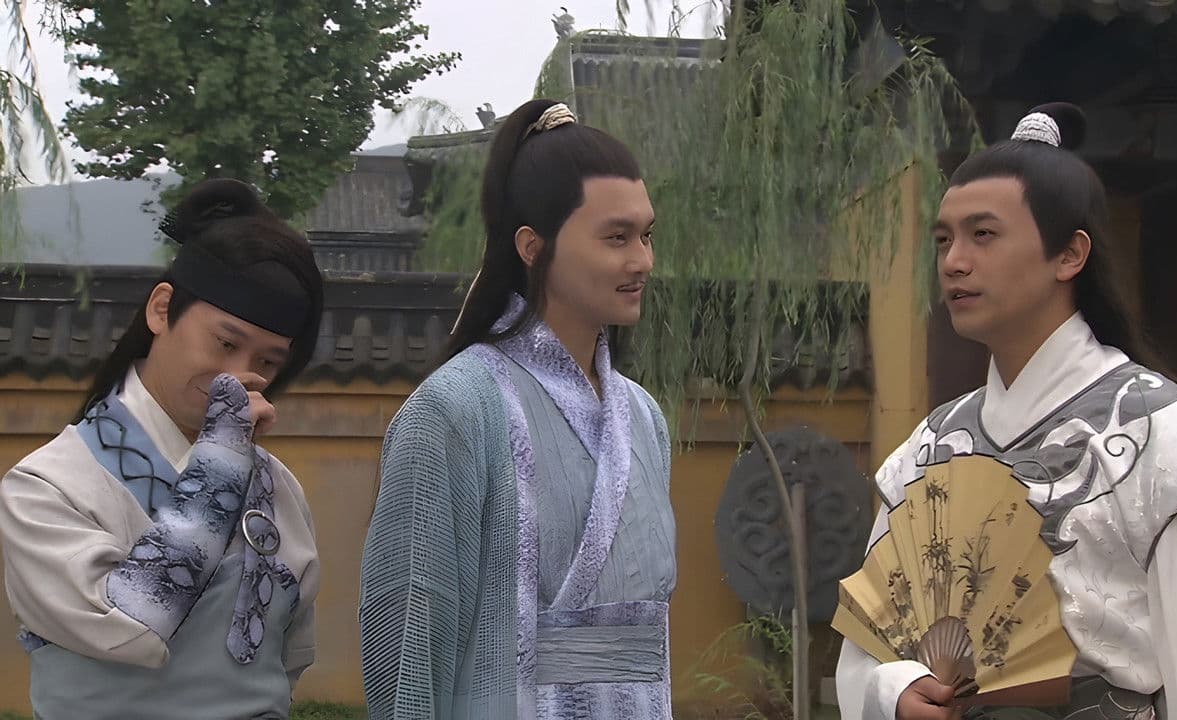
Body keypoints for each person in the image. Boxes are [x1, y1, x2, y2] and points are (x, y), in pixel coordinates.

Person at [835, 103, 1177, 720]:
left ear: (1070, 255)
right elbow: (869, 643)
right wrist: (894, 689)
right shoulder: (929, 450)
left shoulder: (1170, 442)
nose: (954, 261)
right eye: (944, 240)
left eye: (983, 235)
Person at [358, 99, 675, 719]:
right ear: (533, 246)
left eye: (646, 235)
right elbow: (409, 650)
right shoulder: (454, 411)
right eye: (616, 237)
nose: (642, 260)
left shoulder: (643, 418)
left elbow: (645, 646)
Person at [0, 179, 325, 719]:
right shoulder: (47, 486)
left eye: (267, 361)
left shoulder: (278, 488)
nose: (239, 374)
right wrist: (220, 466)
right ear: (161, 308)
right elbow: (132, 625)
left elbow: (289, 657)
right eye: (225, 342)